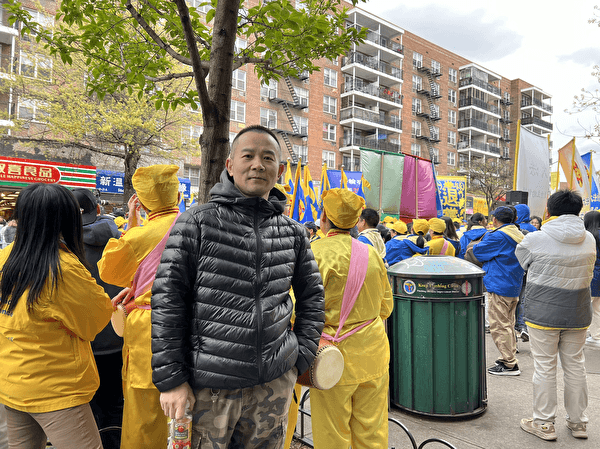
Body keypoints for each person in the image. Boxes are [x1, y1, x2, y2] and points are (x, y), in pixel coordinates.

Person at [150, 125, 325, 449]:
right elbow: (167, 302)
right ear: (230, 165)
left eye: (267, 157)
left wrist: (299, 357)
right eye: (248, 156)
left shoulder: (293, 233)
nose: (257, 164)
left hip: (272, 386)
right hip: (210, 388)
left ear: (280, 170)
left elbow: (313, 296)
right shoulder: (196, 223)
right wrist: (171, 380)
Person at [0, 183, 112, 449]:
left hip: (12, 382)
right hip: (57, 391)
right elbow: (93, 323)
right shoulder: (63, 269)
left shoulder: (6, 258)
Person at [98, 164, 182, 449]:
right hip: (191, 325)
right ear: (178, 196)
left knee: (143, 410)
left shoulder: (139, 235)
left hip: (149, 328)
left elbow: (109, 271)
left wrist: (132, 227)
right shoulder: (197, 226)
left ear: (142, 202)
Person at [310, 188, 393, 449]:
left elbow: (293, 311)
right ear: (357, 219)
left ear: (324, 216)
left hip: (331, 359)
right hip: (374, 353)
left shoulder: (315, 253)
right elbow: (386, 307)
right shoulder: (371, 254)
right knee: (373, 429)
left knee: (332, 432)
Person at [516, 190, 596, 441]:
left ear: (549, 211)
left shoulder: (534, 239)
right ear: (577, 211)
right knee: (575, 366)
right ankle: (578, 423)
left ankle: (544, 423)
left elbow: (523, 262)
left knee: (545, 368)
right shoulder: (590, 239)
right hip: (578, 313)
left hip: (543, 313)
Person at [72, 188, 124, 443]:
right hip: (118, 332)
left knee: (89, 406)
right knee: (117, 400)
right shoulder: (121, 238)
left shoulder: (65, 245)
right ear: (99, 209)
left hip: (83, 338)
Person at [471, 206, 524, 376]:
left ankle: (509, 363)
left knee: (499, 326)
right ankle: (508, 357)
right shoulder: (518, 234)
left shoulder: (499, 235)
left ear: (494, 219)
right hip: (513, 284)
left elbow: (478, 251)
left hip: (499, 284)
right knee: (508, 324)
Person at [583, 210, 600, 348]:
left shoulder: (586, 236)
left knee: (585, 305)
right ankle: (597, 336)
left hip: (590, 273)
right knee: (598, 307)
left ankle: (585, 334)